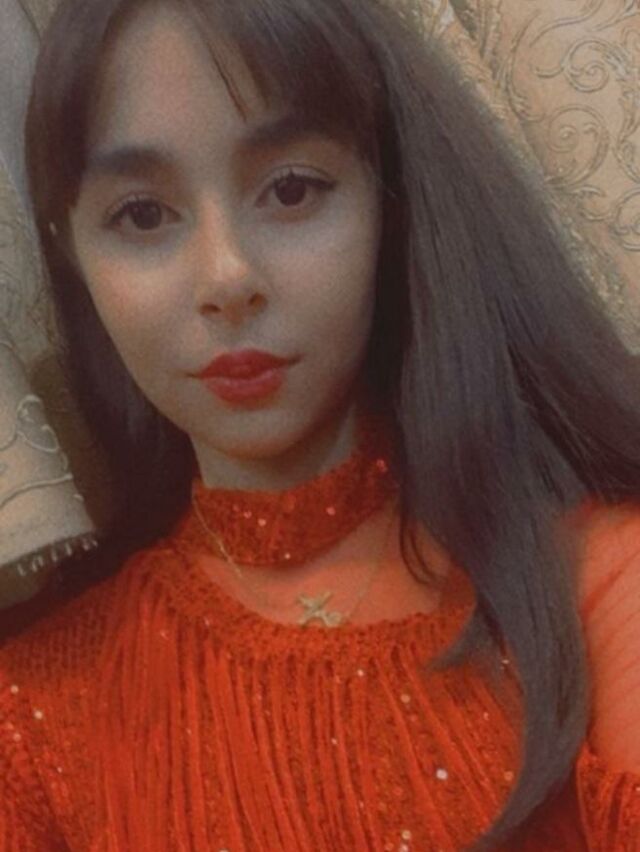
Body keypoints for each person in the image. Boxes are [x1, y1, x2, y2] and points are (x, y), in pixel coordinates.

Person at [1, 0, 640, 848]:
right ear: (72, 252)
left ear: (388, 200)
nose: (227, 278)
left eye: (292, 189)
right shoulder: (33, 727)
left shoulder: (596, 582)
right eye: (143, 215)